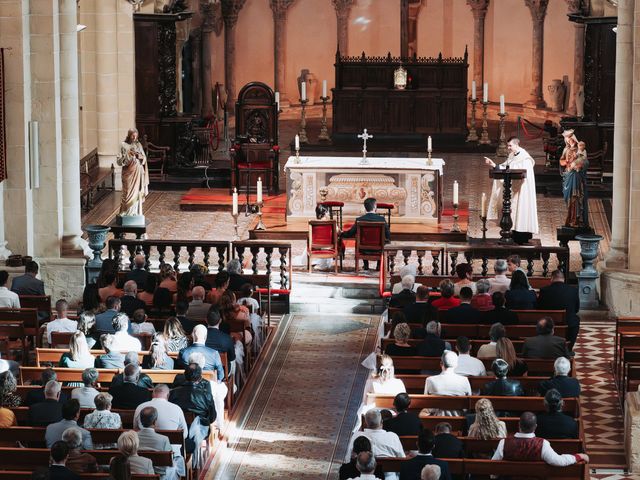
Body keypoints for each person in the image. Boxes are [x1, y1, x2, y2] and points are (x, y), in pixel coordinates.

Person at [485, 137, 539, 236]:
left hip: (522, 190)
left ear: (516, 144)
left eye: (510, 145)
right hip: (513, 188)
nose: (508, 148)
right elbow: (505, 167)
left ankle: (522, 234)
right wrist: (493, 164)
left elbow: (524, 176)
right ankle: (512, 232)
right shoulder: (512, 155)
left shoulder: (525, 158)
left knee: (520, 211)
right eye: (508, 145)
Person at [491, 411, 589, 465]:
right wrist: (579, 456)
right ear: (535, 427)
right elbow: (560, 461)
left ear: (519, 425)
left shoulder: (503, 443)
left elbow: (494, 467)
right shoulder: (542, 444)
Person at [341, 197, 390, 270]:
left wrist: (341, 233)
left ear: (365, 207)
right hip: (379, 250)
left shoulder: (359, 220)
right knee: (383, 241)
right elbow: (388, 235)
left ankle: (366, 264)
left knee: (361, 240)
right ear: (375, 207)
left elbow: (350, 233)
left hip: (363, 250)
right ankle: (379, 265)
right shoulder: (381, 219)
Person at [537, 269, 580, 349]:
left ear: (552, 278)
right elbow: (576, 309)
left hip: (548, 323)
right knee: (576, 319)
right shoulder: (573, 290)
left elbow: (539, 307)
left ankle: (544, 346)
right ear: (563, 279)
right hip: (567, 323)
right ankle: (569, 348)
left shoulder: (544, 290)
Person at [137, 406, 177, 479]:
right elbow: (170, 459)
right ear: (155, 421)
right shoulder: (163, 439)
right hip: (159, 475)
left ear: (141, 420)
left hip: (139, 472)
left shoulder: (133, 437)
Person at [118, 128, 149, 217]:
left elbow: (144, 158)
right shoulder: (123, 145)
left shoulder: (138, 145)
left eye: (136, 136)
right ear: (129, 135)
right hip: (128, 173)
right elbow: (119, 161)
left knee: (137, 192)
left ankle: (135, 212)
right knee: (127, 192)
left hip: (137, 172)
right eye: (133, 136)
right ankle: (125, 211)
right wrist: (128, 155)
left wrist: (139, 156)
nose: (134, 138)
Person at [563, 138, 590, 228]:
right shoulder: (572, 153)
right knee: (571, 200)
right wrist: (570, 166)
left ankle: (577, 220)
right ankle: (571, 219)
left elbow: (583, 165)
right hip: (570, 180)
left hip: (577, 182)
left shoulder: (583, 157)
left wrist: (577, 166)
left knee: (577, 200)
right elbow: (567, 166)